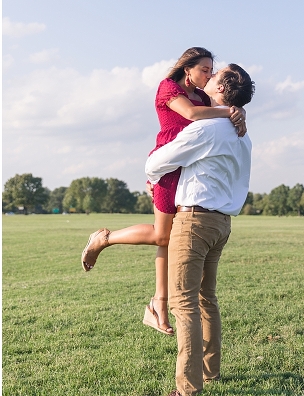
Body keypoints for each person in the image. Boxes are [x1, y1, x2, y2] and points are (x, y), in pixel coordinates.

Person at [81, 47, 246, 336]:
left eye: (211, 71)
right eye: (205, 69)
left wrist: (238, 108)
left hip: (187, 165)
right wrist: (230, 111)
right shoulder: (168, 88)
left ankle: (159, 303)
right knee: (163, 235)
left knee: (169, 237)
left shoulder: (204, 95)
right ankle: (105, 239)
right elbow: (193, 115)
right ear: (188, 69)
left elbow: (221, 103)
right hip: (169, 161)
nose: (208, 74)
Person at [144, 63, 254, 396]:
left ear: (221, 90)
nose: (209, 76)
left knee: (184, 304)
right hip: (222, 224)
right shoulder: (241, 134)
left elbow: (155, 163)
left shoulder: (207, 128)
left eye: (215, 74)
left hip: (194, 222)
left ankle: (187, 388)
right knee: (207, 299)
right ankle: (211, 371)